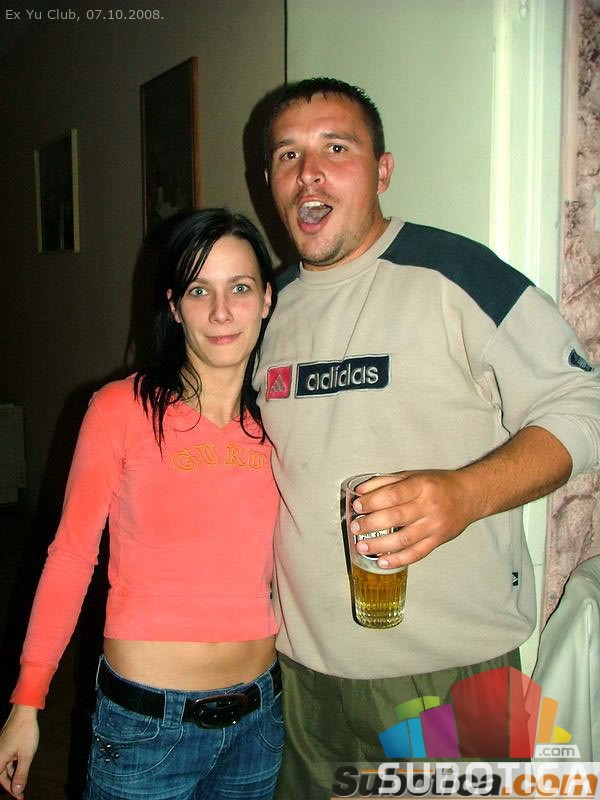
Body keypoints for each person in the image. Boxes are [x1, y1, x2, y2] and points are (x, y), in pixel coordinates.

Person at [254, 77, 600, 797]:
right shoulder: (265, 309)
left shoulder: (456, 274)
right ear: (271, 181)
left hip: (452, 680)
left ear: (382, 171)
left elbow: (584, 402)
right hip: (302, 679)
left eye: (336, 149)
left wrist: (465, 494)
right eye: (288, 155)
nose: (309, 172)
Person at [0, 208, 283, 800]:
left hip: (259, 724)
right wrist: (28, 701)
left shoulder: (281, 424)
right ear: (174, 306)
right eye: (199, 291)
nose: (222, 311)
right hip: (145, 733)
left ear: (266, 300)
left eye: (240, 288)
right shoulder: (119, 410)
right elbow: (70, 557)